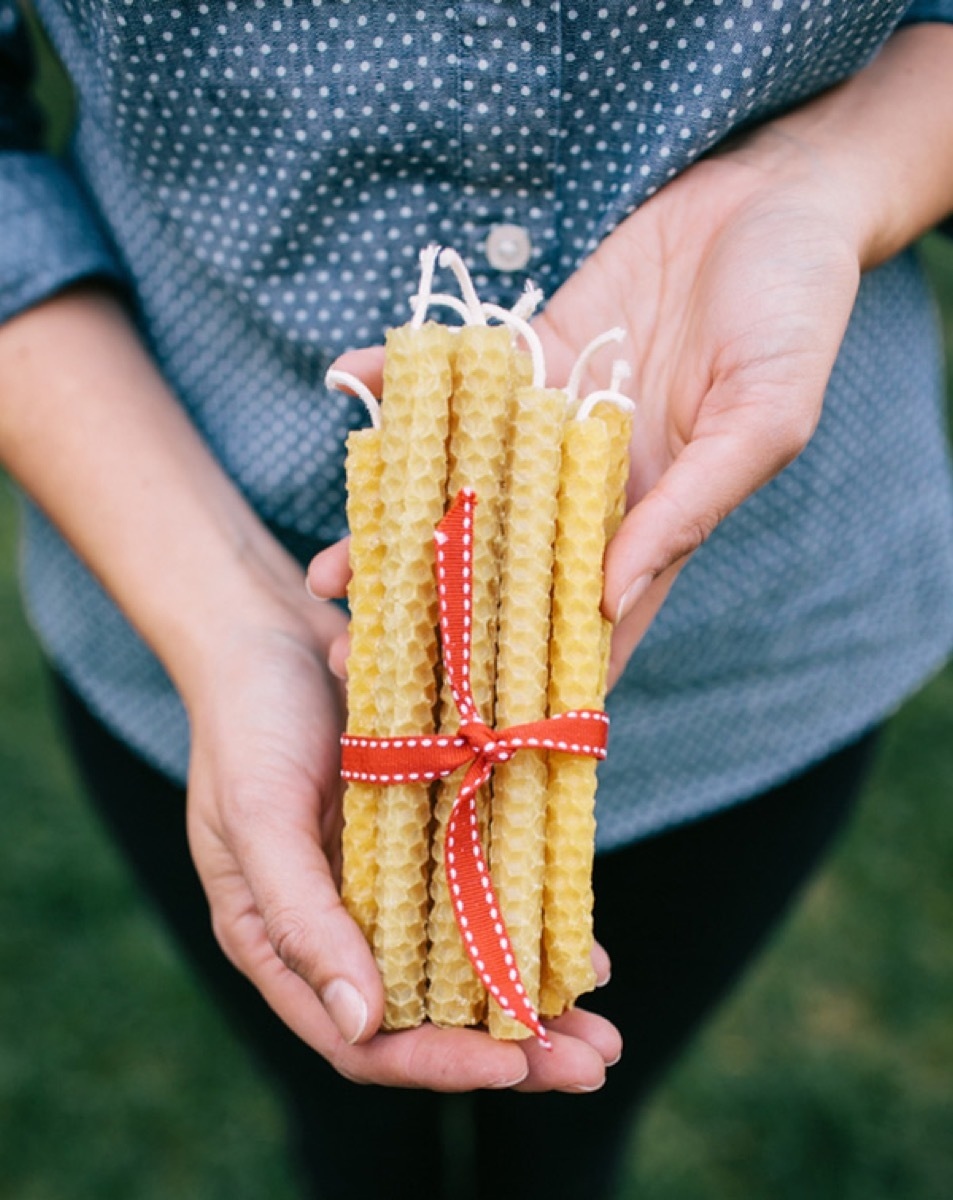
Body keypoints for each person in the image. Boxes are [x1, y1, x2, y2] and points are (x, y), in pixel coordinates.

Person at [2, 1, 953, 1196]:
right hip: (177, 596)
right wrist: (227, 619)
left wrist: (820, 177)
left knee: (569, 1130)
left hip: (767, 653)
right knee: (345, 1112)